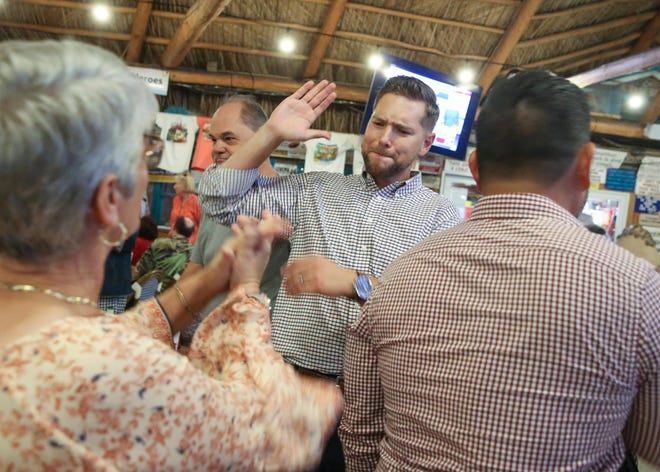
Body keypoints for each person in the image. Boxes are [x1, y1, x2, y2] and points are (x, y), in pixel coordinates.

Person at [0, 39, 342, 470]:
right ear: (109, 198)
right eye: (144, 156)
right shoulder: (118, 368)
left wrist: (212, 279)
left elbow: (114, 333)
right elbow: (286, 426)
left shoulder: (43, 323)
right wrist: (247, 291)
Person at [339, 70, 660, 470]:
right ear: (585, 165)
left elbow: (360, 435)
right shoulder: (636, 287)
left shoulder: (395, 280)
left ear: (474, 167)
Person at [198, 76, 461, 469]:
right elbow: (218, 200)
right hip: (285, 387)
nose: (385, 138)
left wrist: (356, 283)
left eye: (402, 130)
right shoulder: (316, 189)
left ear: (426, 143)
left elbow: (438, 311)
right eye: (378, 123)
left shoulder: (441, 217)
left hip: (369, 407)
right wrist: (270, 134)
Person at [180, 95, 290, 318]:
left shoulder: (289, 199)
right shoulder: (216, 199)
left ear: (263, 139)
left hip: (258, 335)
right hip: (207, 332)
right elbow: (197, 268)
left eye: (229, 139)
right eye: (214, 139)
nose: (217, 148)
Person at [134, 216, 195, 288]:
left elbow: (141, 270)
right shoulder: (194, 253)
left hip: (151, 293)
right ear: (190, 234)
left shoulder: (158, 244)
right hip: (177, 294)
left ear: (174, 227)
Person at [169, 171, 201, 243]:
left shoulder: (196, 201)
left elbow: (201, 225)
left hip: (191, 242)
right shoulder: (175, 200)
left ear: (185, 185)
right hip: (174, 241)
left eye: (177, 184)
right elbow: (172, 222)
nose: (174, 187)